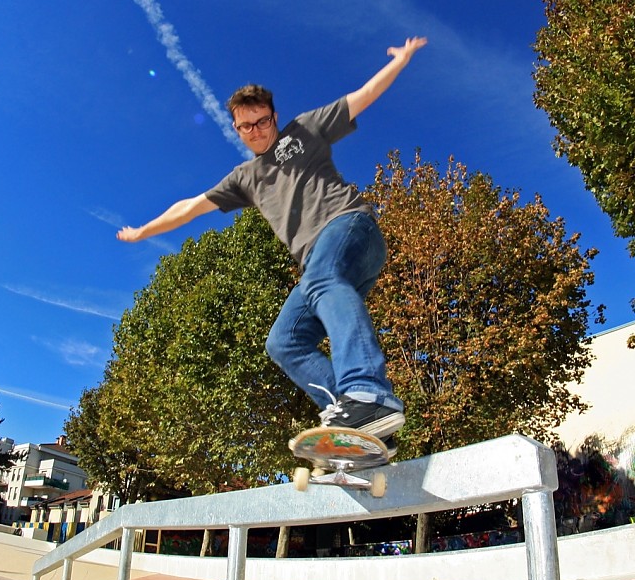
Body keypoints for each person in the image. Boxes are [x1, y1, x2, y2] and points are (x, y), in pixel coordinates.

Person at [118, 37, 428, 450]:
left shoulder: (305, 130)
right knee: (284, 342)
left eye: (262, 121)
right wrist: (144, 231)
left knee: (321, 279)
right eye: (247, 126)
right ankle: (362, 428)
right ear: (237, 130)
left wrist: (401, 61)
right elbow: (191, 207)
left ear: (274, 117)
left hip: (349, 227)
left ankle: (368, 393)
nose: (256, 131)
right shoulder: (244, 178)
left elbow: (362, 97)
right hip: (321, 265)